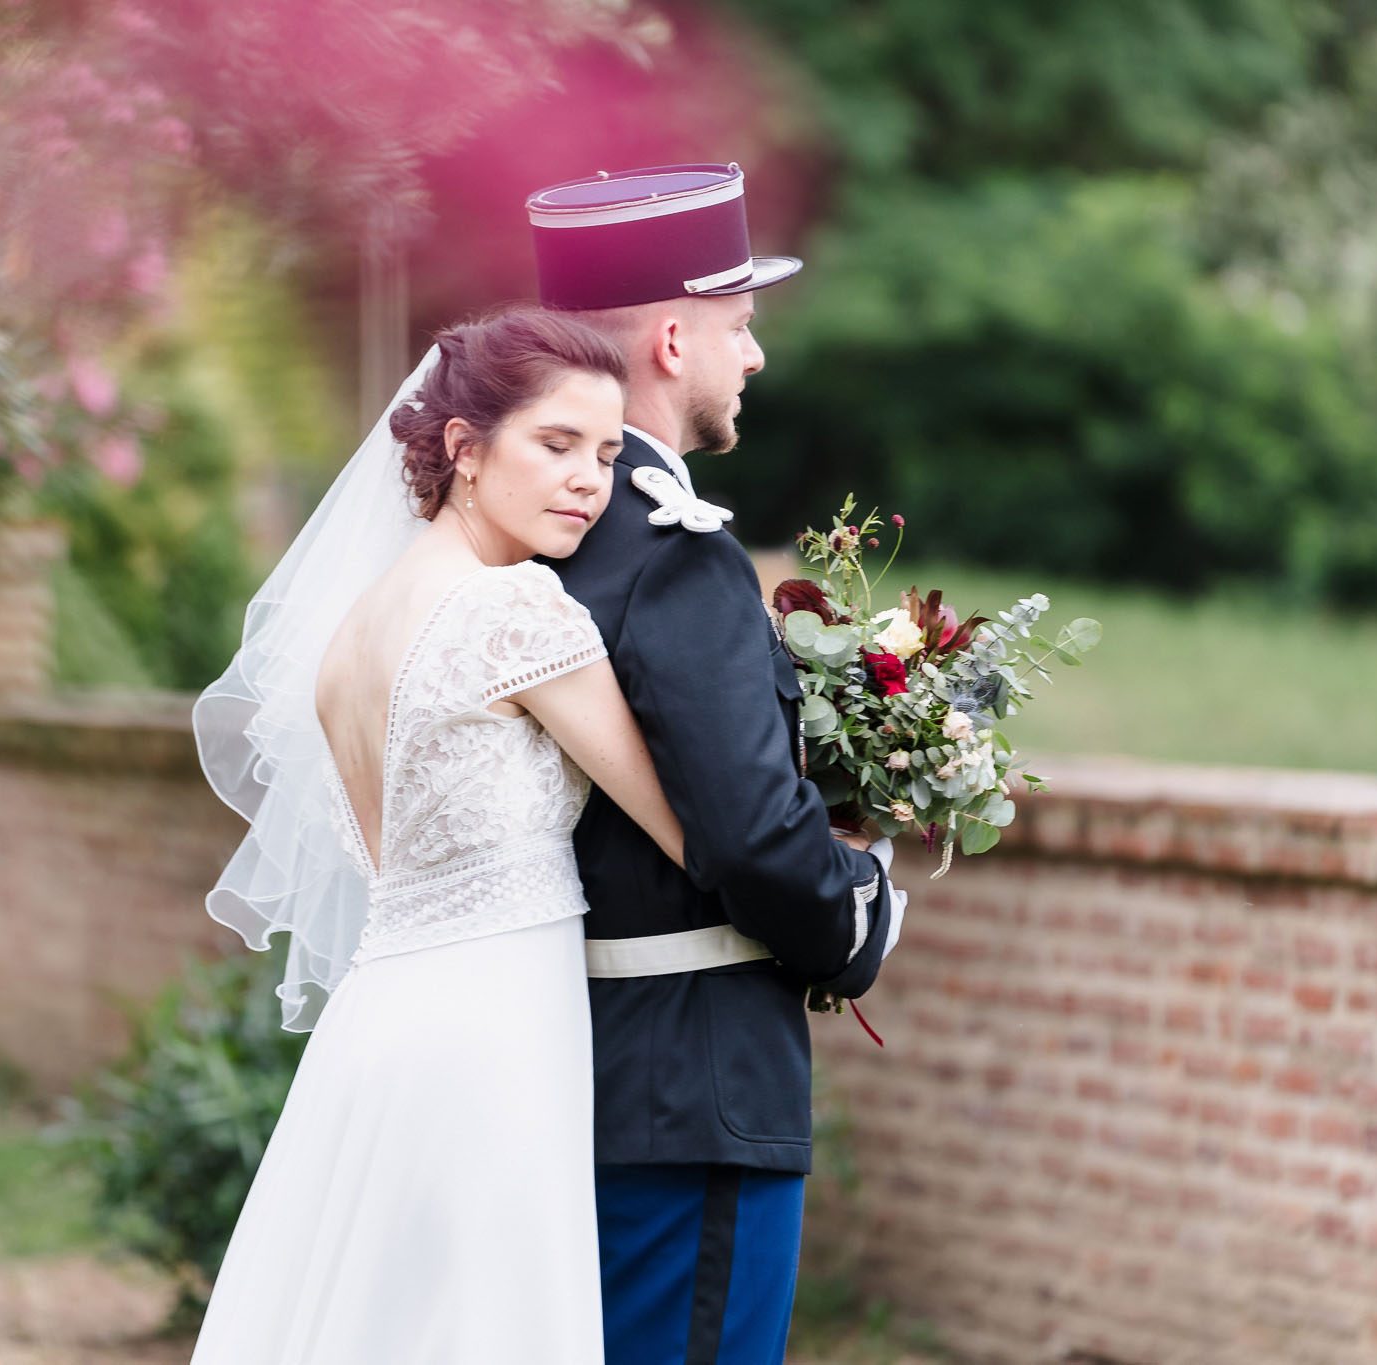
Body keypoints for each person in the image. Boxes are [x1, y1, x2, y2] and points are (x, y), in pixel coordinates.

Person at [187, 309, 682, 1362]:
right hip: (491, 1034)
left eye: (604, 452)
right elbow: (686, 828)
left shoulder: (348, 635)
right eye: (554, 445)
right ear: (463, 447)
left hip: (379, 1028)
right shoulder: (517, 613)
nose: (590, 481)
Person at [528, 163, 901, 1363]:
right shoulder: (670, 552)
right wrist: (858, 917)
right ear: (674, 337)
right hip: (693, 1093)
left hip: (565, 1066)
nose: (754, 358)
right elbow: (745, 832)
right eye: (740, 328)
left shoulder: (519, 542)